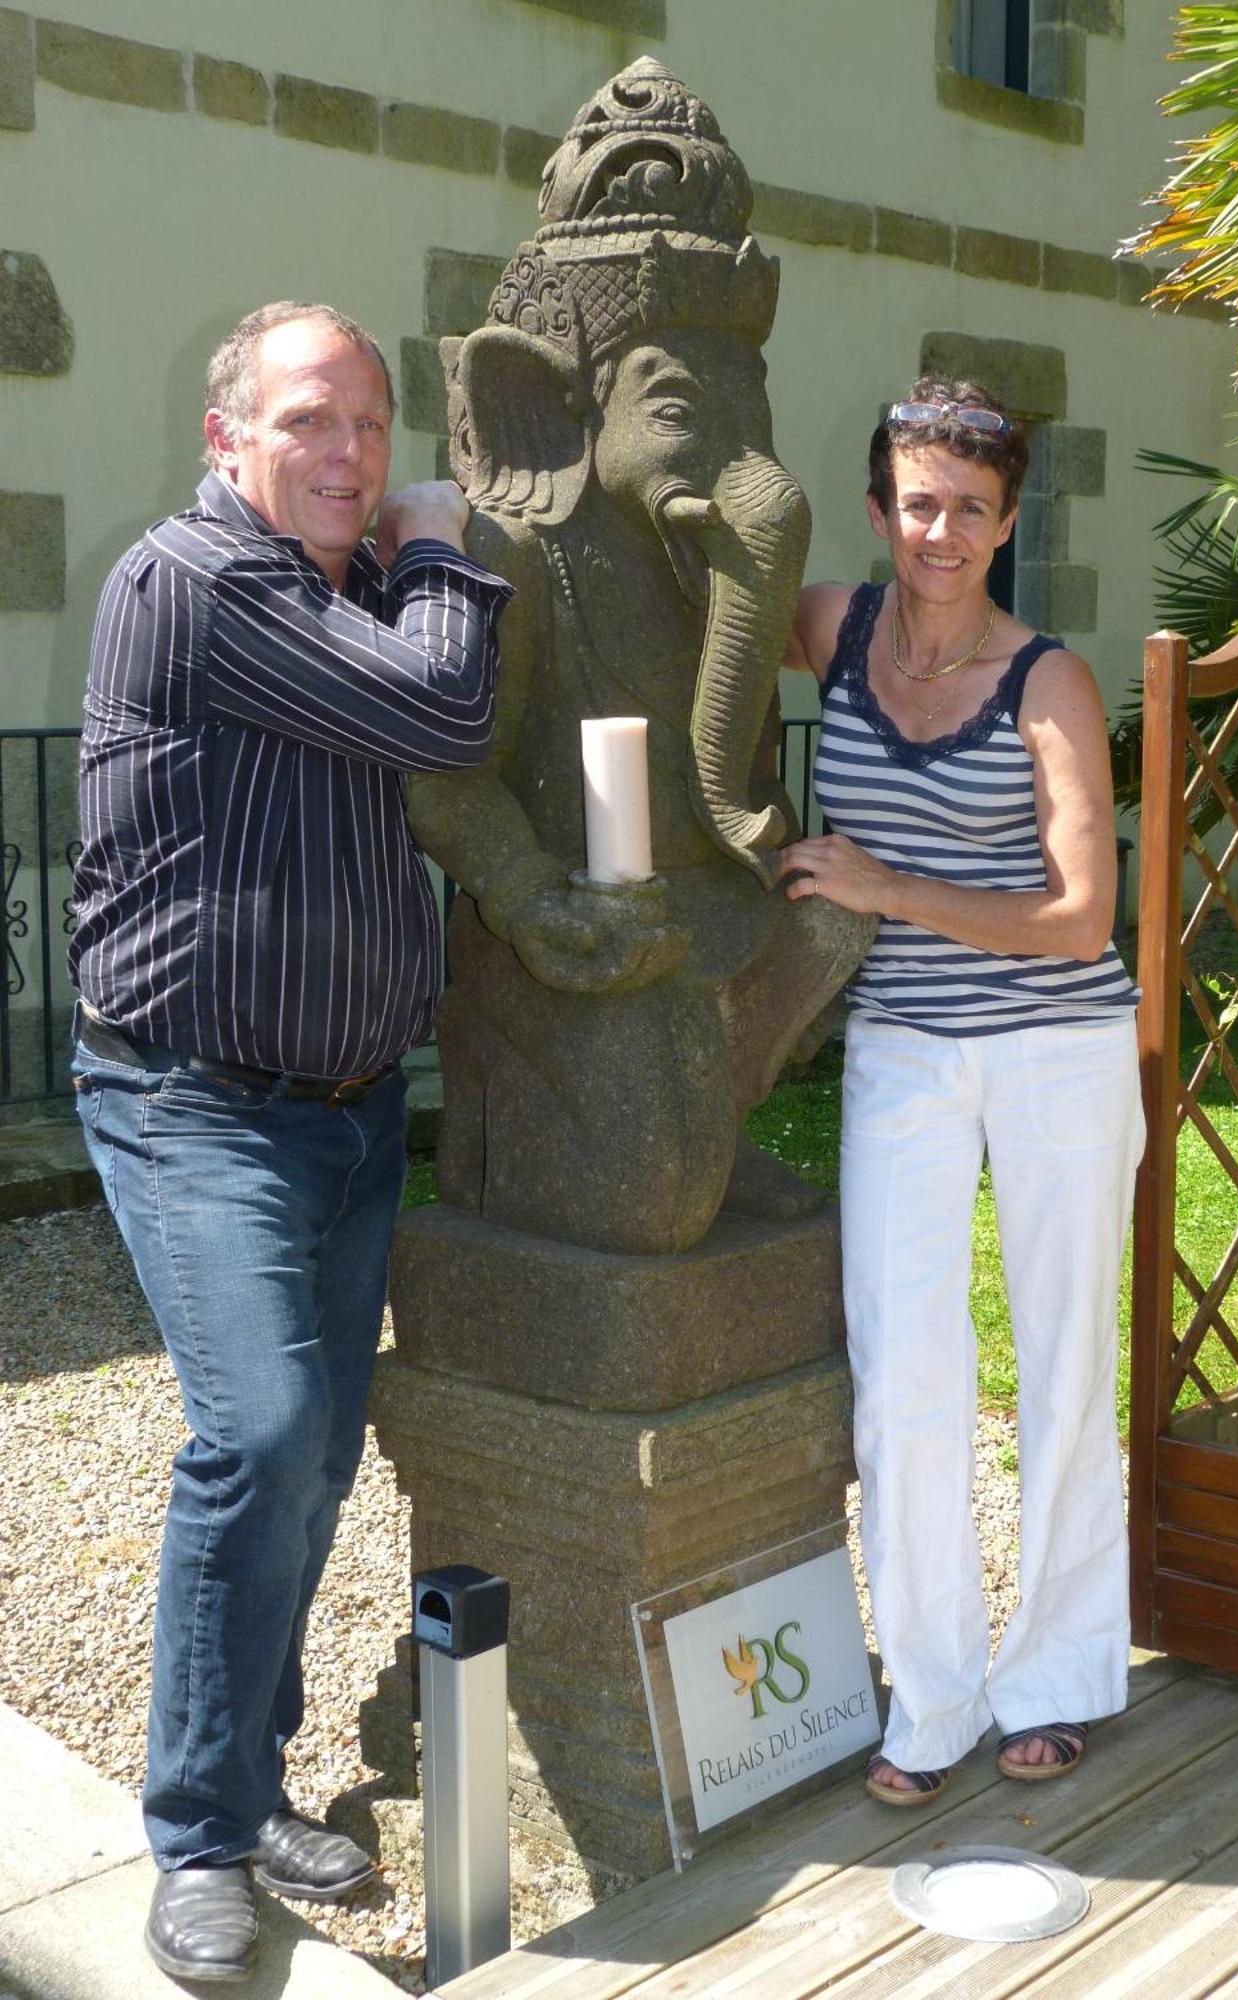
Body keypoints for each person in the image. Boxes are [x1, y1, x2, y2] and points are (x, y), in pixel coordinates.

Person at [69, 300, 509, 1981]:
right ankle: (197, 1832)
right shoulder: (196, 584)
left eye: (374, 429)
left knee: (317, 1455)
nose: (350, 455)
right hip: (199, 1103)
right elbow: (450, 714)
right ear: (226, 438)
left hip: (347, 1113)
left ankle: (248, 1786)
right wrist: (446, 538)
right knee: (259, 1434)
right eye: (311, 420)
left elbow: (415, 722)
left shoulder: (331, 602)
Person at [780, 379, 1143, 1805]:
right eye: (918, 502)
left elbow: (1078, 915)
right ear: (881, 510)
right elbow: (704, 606)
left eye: (971, 509)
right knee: (904, 1372)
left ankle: (1053, 1676)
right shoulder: (833, 629)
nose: (941, 530)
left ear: (1006, 524)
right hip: (906, 1055)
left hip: (1058, 1048)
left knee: (1062, 1364)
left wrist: (882, 886)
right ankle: (927, 1698)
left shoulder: (1046, 678)